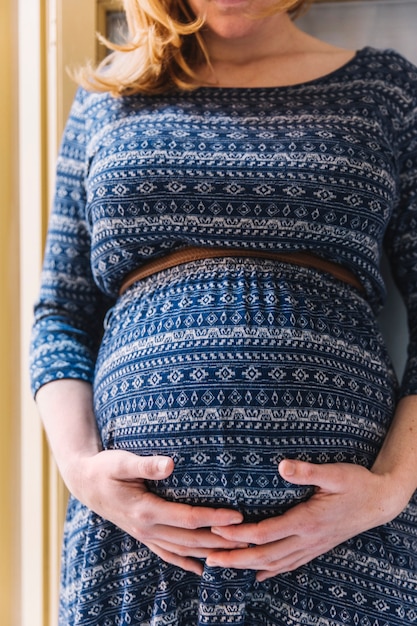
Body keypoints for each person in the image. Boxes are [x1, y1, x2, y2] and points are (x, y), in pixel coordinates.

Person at [30, 0, 417, 623]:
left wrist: (391, 490)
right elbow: (61, 312)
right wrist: (82, 472)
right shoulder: (109, 95)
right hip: (139, 545)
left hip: (344, 546)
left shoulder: (385, 92)